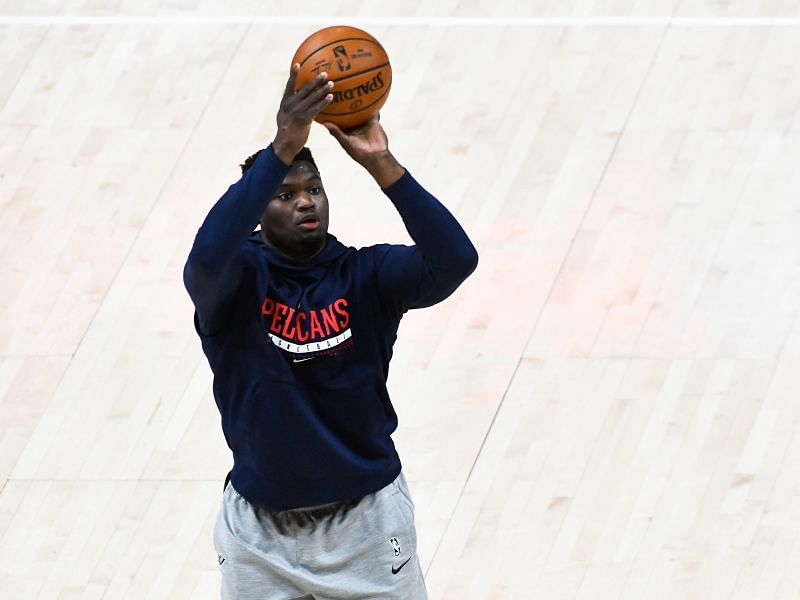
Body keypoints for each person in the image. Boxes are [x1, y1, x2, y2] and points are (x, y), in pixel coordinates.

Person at [183, 63, 478, 600]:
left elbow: (455, 260)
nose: (304, 201)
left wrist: (382, 164)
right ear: (258, 207)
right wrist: (279, 150)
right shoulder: (234, 283)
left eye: (313, 188)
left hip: (365, 525)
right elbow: (203, 260)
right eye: (284, 193)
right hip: (259, 535)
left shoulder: (366, 277)